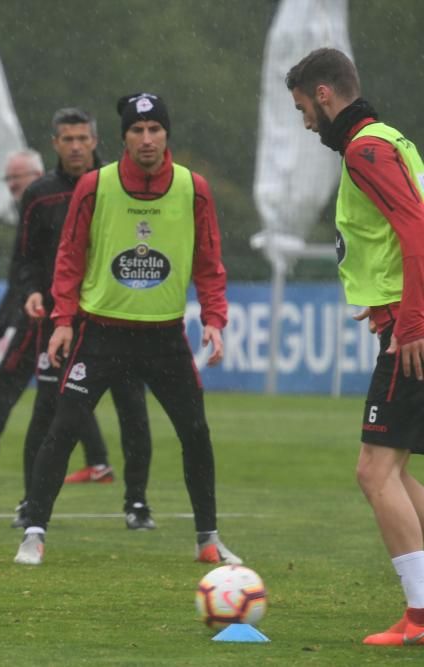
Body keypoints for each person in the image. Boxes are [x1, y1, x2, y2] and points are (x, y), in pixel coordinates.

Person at [14, 94, 241, 566]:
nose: (146, 139)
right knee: (63, 429)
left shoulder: (193, 188)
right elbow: (70, 257)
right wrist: (61, 322)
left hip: (164, 337)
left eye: (154, 129)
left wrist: (215, 319)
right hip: (100, 334)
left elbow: (209, 263)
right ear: (122, 138)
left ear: (166, 134)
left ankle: (208, 539)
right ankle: (34, 533)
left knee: (195, 432)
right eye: (137, 131)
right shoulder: (95, 186)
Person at [0, 109, 153, 530]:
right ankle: (31, 502)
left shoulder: (118, 186)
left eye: (81, 138)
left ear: (94, 140)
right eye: (67, 139)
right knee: (47, 411)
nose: (75, 146)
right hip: (60, 323)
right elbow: (25, 259)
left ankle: (137, 504)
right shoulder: (40, 194)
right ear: (55, 144)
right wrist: (32, 292)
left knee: (132, 408)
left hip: (117, 320)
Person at [286, 47, 424, 647]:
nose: (305, 123)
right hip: (404, 319)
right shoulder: (387, 140)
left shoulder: (367, 149)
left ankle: (420, 617)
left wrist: (413, 320)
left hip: (413, 332)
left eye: (302, 109)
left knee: (374, 472)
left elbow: (416, 228)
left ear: (323, 94)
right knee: (395, 471)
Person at [0, 147, 117, 488]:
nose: (13, 184)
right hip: (43, 307)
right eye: (9, 178)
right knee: (65, 386)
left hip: (46, 312)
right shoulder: (37, 205)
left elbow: (32, 266)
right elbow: (24, 266)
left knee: (11, 381)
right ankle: (99, 461)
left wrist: (25, 305)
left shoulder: (51, 203)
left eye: (18, 177)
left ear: (37, 176)